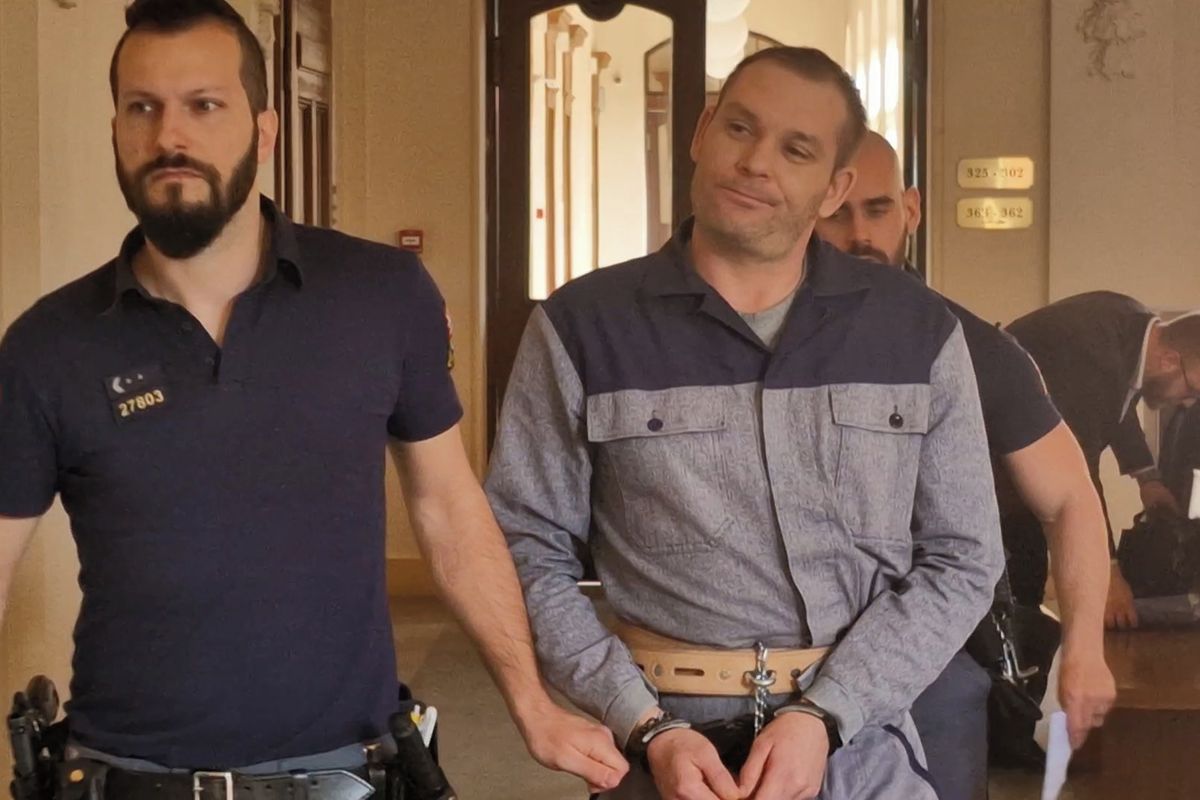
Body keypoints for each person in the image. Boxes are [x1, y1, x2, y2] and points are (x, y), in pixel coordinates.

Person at [0, 1, 627, 795]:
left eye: (204, 105)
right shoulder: (49, 345)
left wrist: (531, 702)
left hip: (344, 774)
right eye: (143, 108)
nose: (170, 137)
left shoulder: (382, 296)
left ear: (264, 132)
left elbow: (447, 507)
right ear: (117, 130)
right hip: (126, 778)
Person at [486, 46, 1004, 800]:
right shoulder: (583, 327)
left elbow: (964, 557)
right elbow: (524, 549)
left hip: (866, 745)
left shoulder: (916, 330)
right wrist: (641, 723)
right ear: (702, 133)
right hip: (665, 749)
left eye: (796, 150)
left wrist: (827, 714)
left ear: (834, 188)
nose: (756, 162)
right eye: (740, 128)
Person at [815, 131, 1115, 799]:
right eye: (836, 212)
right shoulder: (752, 340)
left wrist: (1085, 650)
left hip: (931, 666)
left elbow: (1070, 498)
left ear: (911, 210)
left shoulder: (970, 347)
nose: (859, 234)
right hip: (775, 662)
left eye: (878, 209)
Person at [1006, 297, 1200, 629]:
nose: (1187, 402)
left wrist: (1148, 479)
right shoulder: (1091, 356)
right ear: (1169, 360)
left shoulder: (1132, 327)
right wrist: (1107, 572)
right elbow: (1081, 473)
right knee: (1016, 588)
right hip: (990, 473)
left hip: (1016, 464)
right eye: (1192, 390)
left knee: (1027, 584)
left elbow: (1118, 407)